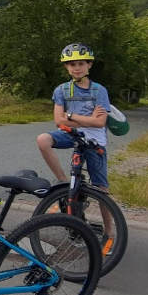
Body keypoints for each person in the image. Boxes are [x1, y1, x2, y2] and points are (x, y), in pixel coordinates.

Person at [36, 43, 116, 246]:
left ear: (89, 65)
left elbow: (100, 122)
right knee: (43, 139)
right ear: (66, 67)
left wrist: (70, 116)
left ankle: (110, 231)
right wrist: (80, 119)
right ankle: (63, 183)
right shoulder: (62, 90)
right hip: (71, 134)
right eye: (71, 64)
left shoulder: (99, 90)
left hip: (94, 139)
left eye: (80, 64)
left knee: (101, 189)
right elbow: (58, 121)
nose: (76, 68)